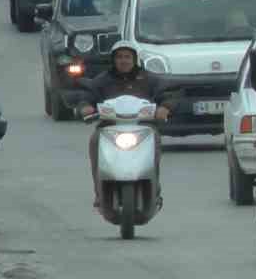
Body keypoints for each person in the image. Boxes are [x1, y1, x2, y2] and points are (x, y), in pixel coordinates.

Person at [69, 43, 180, 211]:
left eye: (127, 57)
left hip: (143, 127)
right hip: (109, 127)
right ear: (113, 60)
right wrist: (85, 106)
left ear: (135, 59)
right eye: (119, 57)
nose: (123, 61)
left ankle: (154, 188)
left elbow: (169, 92)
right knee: (95, 141)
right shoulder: (103, 80)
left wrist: (165, 107)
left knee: (155, 141)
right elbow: (86, 94)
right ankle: (100, 192)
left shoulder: (149, 79)